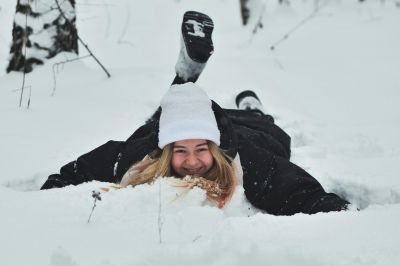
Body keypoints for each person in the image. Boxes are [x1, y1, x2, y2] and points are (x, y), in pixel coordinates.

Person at [41, 11, 349, 215]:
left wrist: (332, 208)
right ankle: (183, 87)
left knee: (263, 124)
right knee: (156, 124)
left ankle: (248, 104)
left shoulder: (249, 160)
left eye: (202, 149)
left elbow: (298, 191)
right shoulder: (137, 155)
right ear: (165, 152)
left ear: (214, 148)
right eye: (181, 151)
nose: (192, 161)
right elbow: (73, 174)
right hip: (172, 127)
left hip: (250, 132)